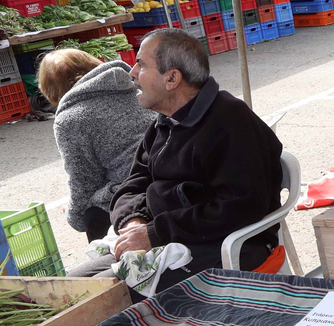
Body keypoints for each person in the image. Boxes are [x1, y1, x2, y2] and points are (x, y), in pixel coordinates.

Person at [67, 28, 284, 293]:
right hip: (167, 240)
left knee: (94, 300)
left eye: (141, 64)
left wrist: (154, 233)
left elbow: (241, 206)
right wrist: (133, 219)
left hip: (228, 245)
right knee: (69, 286)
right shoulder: (166, 122)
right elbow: (133, 183)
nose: (132, 73)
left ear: (172, 78)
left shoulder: (229, 122)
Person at [38, 49, 156, 242]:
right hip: (169, 175)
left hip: (136, 195)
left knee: (90, 214)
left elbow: (84, 182)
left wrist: (74, 216)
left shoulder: (70, 119)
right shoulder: (134, 89)